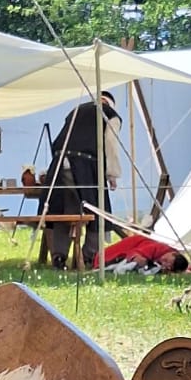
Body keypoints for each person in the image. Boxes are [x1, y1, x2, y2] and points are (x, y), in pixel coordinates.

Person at [42, 90, 123, 268]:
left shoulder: (76, 110)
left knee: (63, 212)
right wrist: (112, 173)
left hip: (59, 163)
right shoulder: (110, 114)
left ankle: (59, 257)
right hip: (84, 166)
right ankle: (89, 257)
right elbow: (110, 143)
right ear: (110, 104)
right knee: (98, 211)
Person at [97, 233, 190, 274]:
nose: (163, 262)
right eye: (166, 260)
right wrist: (138, 258)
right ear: (173, 253)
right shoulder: (158, 248)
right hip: (110, 255)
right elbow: (135, 253)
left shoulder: (173, 255)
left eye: (168, 266)